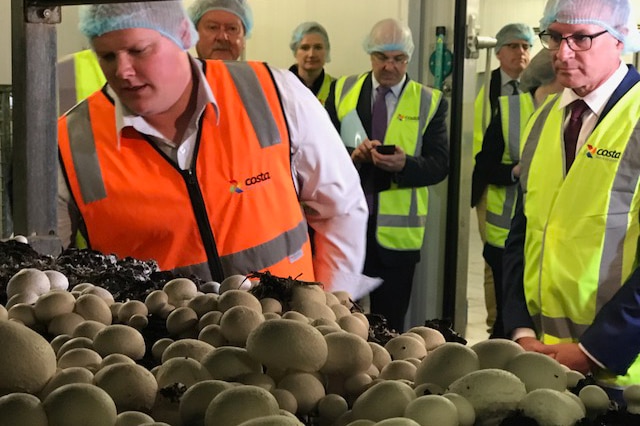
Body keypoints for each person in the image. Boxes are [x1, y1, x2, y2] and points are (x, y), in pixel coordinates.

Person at [56, 1, 379, 300]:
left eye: (139, 50)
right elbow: (46, 270)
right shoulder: (70, 141)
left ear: (183, 35)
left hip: (285, 336)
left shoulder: (273, 93)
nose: (122, 71)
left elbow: (341, 207)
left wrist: (327, 307)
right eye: (107, 56)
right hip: (161, 349)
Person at [502, 0, 640, 393]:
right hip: (539, 363)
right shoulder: (543, 119)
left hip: (621, 376)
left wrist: (594, 350)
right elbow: (521, 234)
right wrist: (520, 328)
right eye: (555, 37)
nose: (562, 53)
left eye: (581, 38)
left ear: (620, 40)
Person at [325, 18, 449, 332]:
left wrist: (405, 165)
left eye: (398, 59)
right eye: (382, 57)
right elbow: (322, 153)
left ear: (408, 58)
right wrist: (352, 157)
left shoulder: (430, 101)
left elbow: (439, 164)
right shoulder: (342, 90)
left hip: (397, 242)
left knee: (389, 328)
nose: (390, 66)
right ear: (370, 54)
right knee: (338, 322)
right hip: (347, 230)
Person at [474, 50, 561, 339]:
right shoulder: (511, 109)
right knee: (505, 319)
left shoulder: (572, 113)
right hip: (505, 236)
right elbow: (484, 166)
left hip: (548, 236)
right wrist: (515, 171)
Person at [471, 22, 534, 336]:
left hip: (526, 190)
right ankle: (496, 322)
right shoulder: (483, 86)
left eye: (525, 46)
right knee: (493, 256)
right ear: (497, 52)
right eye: (513, 46)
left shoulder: (538, 89)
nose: (520, 52)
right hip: (489, 184)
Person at [288, 21, 335, 106]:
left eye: (318, 47)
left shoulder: (337, 88)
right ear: (295, 52)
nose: (311, 54)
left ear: (327, 51)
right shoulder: (281, 86)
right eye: (305, 48)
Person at [188, 0, 252, 61]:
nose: (222, 37)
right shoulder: (180, 72)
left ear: (244, 37)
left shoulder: (257, 72)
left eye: (232, 28)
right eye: (212, 27)